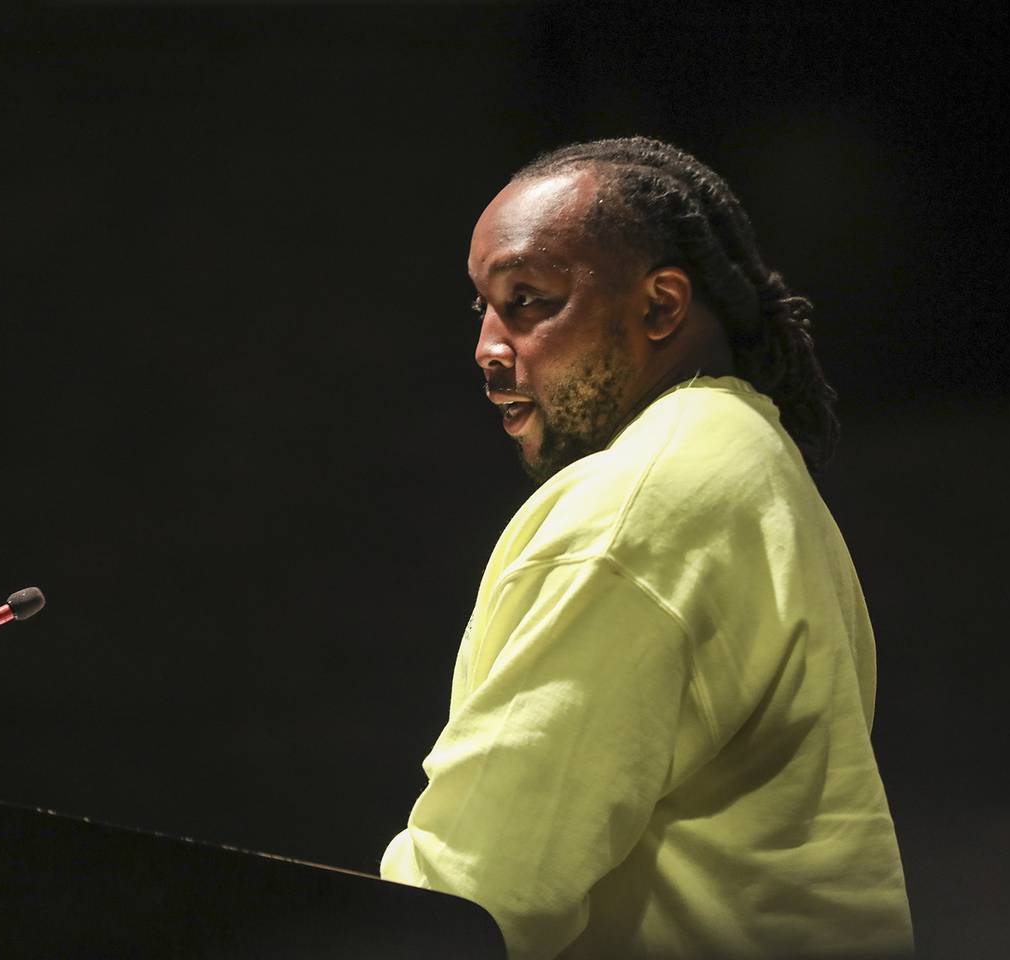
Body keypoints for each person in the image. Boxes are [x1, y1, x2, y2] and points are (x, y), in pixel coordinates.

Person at [380, 136, 913, 960]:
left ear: (661, 306)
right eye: (482, 307)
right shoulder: (744, 458)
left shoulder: (637, 504)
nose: (488, 347)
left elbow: (472, 906)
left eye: (528, 300)